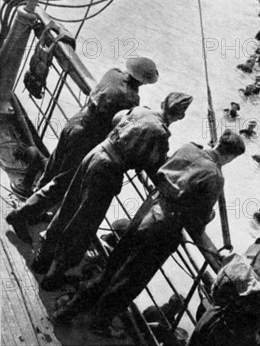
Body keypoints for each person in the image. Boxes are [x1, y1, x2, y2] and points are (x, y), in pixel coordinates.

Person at [53, 130, 246, 331]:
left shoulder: (189, 147)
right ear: (230, 156)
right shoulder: (215, 176)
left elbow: (163, 169)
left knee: (112, 266)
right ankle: (100, 322)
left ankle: (69, 310)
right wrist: (210, 217)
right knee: (131, 281)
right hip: (164, 230)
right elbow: (199, 219)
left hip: (148, 209)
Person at [34, 92, 193, 291]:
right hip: (107, 172)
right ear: (179, 116)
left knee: (68, 207)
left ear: (162, 102)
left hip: (95, 154)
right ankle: (52, 277)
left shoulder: (141, 110)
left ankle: (41, 259)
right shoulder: (161, 133)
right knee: (83, 225)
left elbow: (117, 118)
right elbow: (158, 168)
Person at [6, 58, 159, 245]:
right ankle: (21, 215)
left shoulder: (113, 72)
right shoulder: (130, 98)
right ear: (143, 81)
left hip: (76, 121)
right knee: (64, 182)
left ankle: (32, 210)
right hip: (87, 137)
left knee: (53, 167)